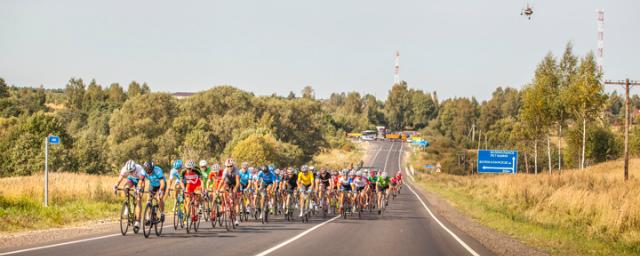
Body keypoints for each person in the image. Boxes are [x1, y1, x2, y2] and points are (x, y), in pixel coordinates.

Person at [113, 160, 145, 230]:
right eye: (129, 172)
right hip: (131, 180)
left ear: (134, 168)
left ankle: (137, 221)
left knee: (138, 199)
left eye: (132, 171)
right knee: (126, 188)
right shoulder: (124, 169)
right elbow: (120, 178)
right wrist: (116, 185)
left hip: (140, 181)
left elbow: (141, 181)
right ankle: (127, 205)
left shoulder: (139, 168)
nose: (131, 172)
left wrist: (138, 188)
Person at [218, 158, 240, 226]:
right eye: (228, 166)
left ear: (233, 166)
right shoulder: (225, 171)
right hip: (228, 182)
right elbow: (222, 181)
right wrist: (218, 189)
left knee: (235, 200)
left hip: (235, 183)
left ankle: (236, 219)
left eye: (231, 166)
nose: (229, 168)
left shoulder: (236, 170)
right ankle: (225, 204)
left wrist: (235, 188)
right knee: (223, 189)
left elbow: (238, 182)